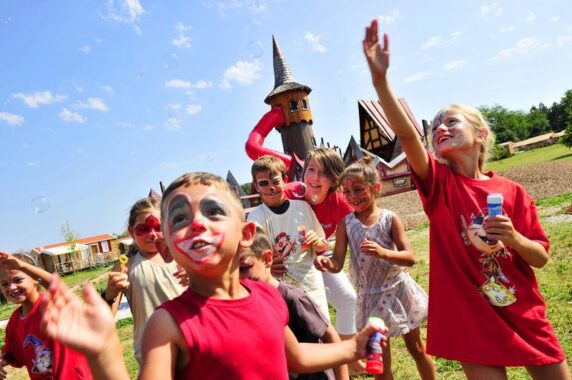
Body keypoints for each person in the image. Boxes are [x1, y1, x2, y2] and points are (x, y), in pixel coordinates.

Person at [362, 18, 570, 379]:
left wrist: (514, 238)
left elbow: (540, 257)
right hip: (471, 317)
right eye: (435, 126)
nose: (440, 127)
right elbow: (408, 139)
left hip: (522, 310)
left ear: (480, 135)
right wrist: (381, 81)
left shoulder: (512, 192)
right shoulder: (439, 184)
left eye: (452, 122)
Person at [39, 171, 387, 380]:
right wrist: (104, 353)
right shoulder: (168, 324)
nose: (196, 222)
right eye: (178, 218)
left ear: (246, 234)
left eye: (213, 211)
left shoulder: (268, 296)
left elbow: (295, 357)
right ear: (167, 248)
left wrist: (351, 347)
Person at [315, 158, 435, 380]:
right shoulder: (346, 224)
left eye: (358, 189)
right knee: (378, 360)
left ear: (375, 187)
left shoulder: (389, 219)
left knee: (416, 348)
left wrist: (383, 253)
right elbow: (337, 262)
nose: (352, 197)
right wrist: (326, 264)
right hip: (369, 298)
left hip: (398, 291)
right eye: (346, 192)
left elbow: (409, 258)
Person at [239, 225, 348, 380]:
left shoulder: (293, 298)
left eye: (244, 268)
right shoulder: (246, 301)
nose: (238, 277)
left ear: (267, 259)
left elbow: (331, 337)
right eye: (231, 270)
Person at [101, 197, 186, 366]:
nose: (152, 234)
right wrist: (110, 293)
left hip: (191, 346)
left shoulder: (183, 257)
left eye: (158, 227)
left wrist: (197, 280)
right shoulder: (126, 265)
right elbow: (104, 318)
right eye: (143, 229)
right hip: (153, 355)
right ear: (131, 232)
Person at [284, 148, 358, 341]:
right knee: (306, 310)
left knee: (347, 299)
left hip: (320, 255)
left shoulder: (339, 201)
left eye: (323, 173)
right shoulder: (288, 194)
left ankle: (347, 354)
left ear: (334, 179)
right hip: (290, 262)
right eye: (311, 169)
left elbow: (358, 230)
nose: (315, 178)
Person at [248, 155, 330, 318]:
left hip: (311, 285)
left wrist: (316, 242)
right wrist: (267, 267)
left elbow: (324, 245)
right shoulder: (255, 218)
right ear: (256, 186)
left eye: (275, 181)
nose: (271, 187)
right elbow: (252, 259)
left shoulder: (303, 207)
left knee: (322, 333)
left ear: (285, 180)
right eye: (264, 183)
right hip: (281, 290)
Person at [0, 251, 92, 379]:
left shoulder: (53, 305)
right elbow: (12, 353)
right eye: (4, 284)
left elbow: (56, 286)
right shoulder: (14, 322)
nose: (11, 287)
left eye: (18, 279)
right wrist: (3, 361)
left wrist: (22, 266)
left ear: (35, 280)